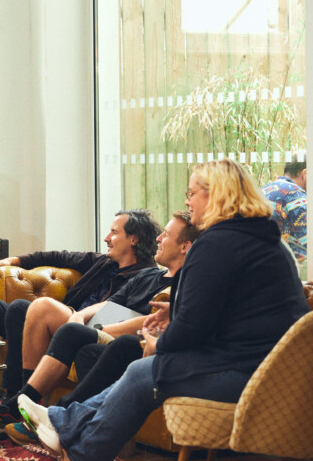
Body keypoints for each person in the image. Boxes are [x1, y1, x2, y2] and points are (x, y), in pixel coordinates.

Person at [16, 158, 309, 461]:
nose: (187, 200)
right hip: (271, 373)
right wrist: (175, 315)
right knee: (142, 371)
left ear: (215, 195)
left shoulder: (216, 243)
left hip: (245, 373)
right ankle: (64, 424)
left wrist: (160, 345)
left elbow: (192, 329)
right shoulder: (266, 241)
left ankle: (72, 438)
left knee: (145, 372)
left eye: (192, 192)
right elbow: (235, 311)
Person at [0, 211, 200, 445]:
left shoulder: (186, 283)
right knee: (28, 313)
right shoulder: (148, 276)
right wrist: (81, 316)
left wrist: (99, 329)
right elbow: (110, 303)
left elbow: (152, 322)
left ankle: (23, 405)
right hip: (102, 328)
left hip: (127, 338)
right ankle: (26, 405)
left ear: (185, 246)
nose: (158, 238)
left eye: (166, 235)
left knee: (74, 333)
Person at [0, 209, 160, 421]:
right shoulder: (104, 262)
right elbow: (59, 256)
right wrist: (14, 260)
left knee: (22, 307)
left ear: (133, 239)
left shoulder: (146, 277)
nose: (106, 238)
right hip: (59, 323)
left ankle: (14, 397)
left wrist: (80, 319)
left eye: (113, 232)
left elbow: (122, 320)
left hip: (85, 330)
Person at [261, 155, 307, 265]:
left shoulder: (263, 190)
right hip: (283, 268)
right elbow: (308, 242)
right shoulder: (296, 195)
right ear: (305, 174)